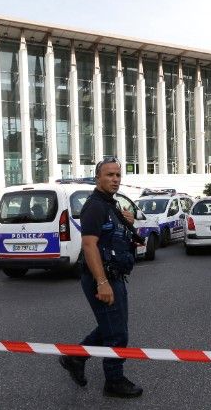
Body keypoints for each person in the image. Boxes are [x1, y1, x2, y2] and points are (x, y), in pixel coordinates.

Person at [58, 157, 143, 398]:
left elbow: (114, 237)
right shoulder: (94, 205)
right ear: (98, 178)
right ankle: (113, 381)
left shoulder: (110, 204)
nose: (115, 179)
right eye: (109, 175)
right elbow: (89, 245)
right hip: (101, 278)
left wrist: (128, 222)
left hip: (114, 275)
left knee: (112, 328)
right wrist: (102, 282)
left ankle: (75, 358)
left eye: (118, 175)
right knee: (117, 333)